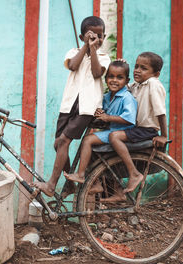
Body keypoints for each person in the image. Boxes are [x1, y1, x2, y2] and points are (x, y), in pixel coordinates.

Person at [32, 16, 111, 197]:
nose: (95, 39)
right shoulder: (73, 52)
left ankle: (51, 185)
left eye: (99, 36)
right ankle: (69, 185)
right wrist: (85, 47)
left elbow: (97, 72)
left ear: (104, 37)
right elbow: (73, 66)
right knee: (57, 143)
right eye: (91, 35)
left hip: (87, 108)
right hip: (68, 105)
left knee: (64, 141)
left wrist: (93, 49)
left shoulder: (103, 57)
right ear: (81, 36)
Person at [64, 60, 137, 194]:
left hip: (122, 133)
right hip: (111, 131)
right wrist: (99, 112)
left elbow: (129, 119)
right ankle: (96, 182)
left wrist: (107, 117)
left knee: (88, 140)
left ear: (127, 80)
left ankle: (80, 174)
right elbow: (100, 109)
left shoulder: (127, 97)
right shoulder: (107, 96)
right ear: (106, 78)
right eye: (111, 77)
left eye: (119, 77)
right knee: (93, 150)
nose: (114, 80)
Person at [106, 52, 167, 200]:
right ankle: (119, 191)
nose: (137, 70)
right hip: (136, 129)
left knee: (114, 137)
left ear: (156, 74)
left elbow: (160, 112)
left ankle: (134, 173)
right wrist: (121, 67)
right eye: (136, 66)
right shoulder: (137, 85)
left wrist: (164, 135)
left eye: (143, 68)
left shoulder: (153, 84)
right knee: (109, 151)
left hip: (147, 130)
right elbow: (123, 86)